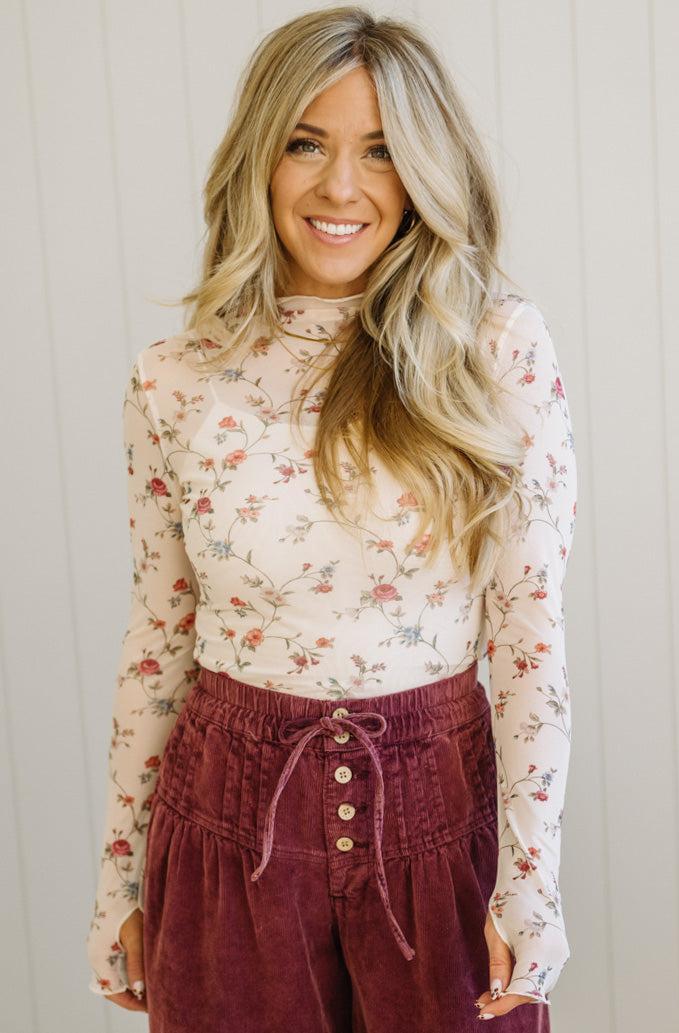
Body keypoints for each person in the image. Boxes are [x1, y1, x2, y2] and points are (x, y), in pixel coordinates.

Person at [85, 6, 577, 1031]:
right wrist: (118, 876)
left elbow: (527, 631)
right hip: (225, 831)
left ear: (426, 170)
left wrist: (530, 879)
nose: (340, 187)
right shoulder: (174, 378)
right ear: (259, 158)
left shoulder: (493, 350)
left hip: (440, 817)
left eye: (381, 151)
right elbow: (161, 634)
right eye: (306, 144)